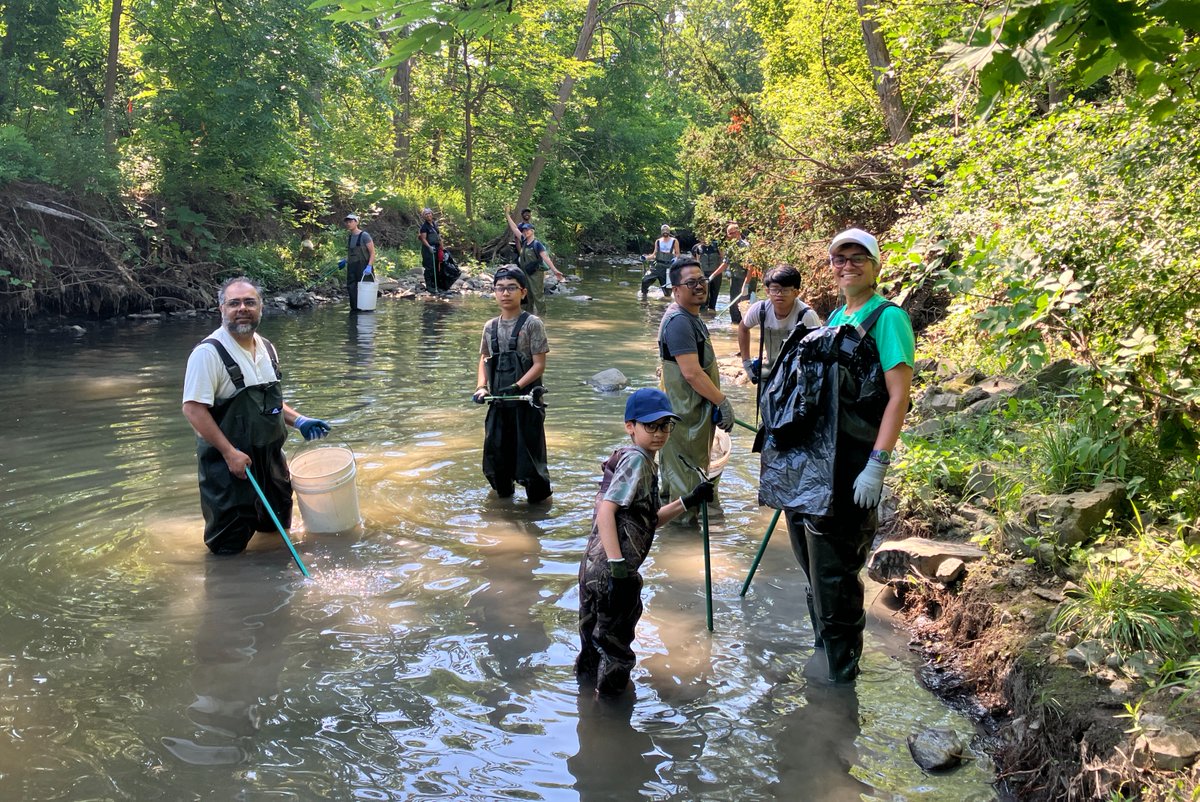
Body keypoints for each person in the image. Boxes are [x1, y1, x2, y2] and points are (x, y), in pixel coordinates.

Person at [757, 228, 915, 684]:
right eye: (838, 258)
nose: (847, 264)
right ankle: (824, 654)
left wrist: (877, 464)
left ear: (875, 264)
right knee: (815, 578)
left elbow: (897, 396)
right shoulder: (835, 317)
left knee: (836, 580)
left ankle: (839, 681)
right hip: (809, 474)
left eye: (857, 257)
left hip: (850, 470)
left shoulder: (888, 319)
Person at [575, 388, 714, 696]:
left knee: (591, 646)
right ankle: (611, 723)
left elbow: (646, 520)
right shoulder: (638, 461)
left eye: (666, 426)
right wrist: (618, 567)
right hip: (612, 570)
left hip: (592, 568)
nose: (659, 433)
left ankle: (586, 710)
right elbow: (606, 512)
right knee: (616, 653)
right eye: (650, 426)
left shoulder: (631, 458)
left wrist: (687, 500)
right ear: (630, 426)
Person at [182, 277, 331, 555]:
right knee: (228, 549)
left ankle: (275, 589)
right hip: (229, 468)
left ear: (261, 308)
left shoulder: (267, 348)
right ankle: (230, 593)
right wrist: (229, 453)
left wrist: (298, 420)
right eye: (234, 303)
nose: (242, 308)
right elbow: (193, 409)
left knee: (276, 535)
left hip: (272, 462)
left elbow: (270, 403)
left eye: (250, 302)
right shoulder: (208, 354)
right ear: (221, 309)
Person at [657, 256, 736, 513]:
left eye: (702, 280)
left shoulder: (692, 317)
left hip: (694, 416)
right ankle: (679, 542)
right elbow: (691, 373)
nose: (700, 286)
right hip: (684, 421)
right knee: (685, 491)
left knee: (684, 484)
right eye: (691, 282)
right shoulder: (679, 321)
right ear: (676, 290)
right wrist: (722, 401)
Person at [472, 267, 553, 502]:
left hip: (527, 404)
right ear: (494, 292)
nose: (505, 293)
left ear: (523, 292)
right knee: (496, 459)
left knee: (530, 463)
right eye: (500, 288)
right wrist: (481, 387)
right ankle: (502, 503)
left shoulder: (532, 324)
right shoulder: (490, 327)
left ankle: (538, 510)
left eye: (511, 288)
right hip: (498, 403)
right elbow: (484, 359)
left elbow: (539, 364)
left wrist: (518, 386)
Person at [736, 265, 823, 384]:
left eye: (785, 290)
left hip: (797, 375)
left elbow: (819, 350)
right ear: (767, 291)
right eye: (775, 289)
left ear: (796, 292)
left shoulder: (806, 316)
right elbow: (743, 328)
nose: (779, 294)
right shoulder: (761, 310)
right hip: (769, 372)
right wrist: (746, 362)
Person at [505, 209, 565, 316]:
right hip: (525, 273)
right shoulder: (523, 240)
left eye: (527, 230)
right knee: (526, 295)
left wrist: (555, 271)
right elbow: (514, 227)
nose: (525, 232)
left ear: (532, 231)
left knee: (538, 296)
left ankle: (542, 318)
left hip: (535, 274)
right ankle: (527, 316)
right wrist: (507, 215)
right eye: (524, 231)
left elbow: (546, 258)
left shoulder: (537, 244)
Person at [718, 222, 752, 324]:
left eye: (732, 233)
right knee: (733, 307)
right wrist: (712, 276)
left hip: (745, 279)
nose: (730, 236)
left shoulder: (746, 247)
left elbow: (751, 267)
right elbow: (725, 264)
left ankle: (744, 327)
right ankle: (734, 327)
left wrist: (746, 284)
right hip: (735, 279)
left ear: (738, 232)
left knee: (744, 306)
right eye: (729, 234)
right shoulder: (731, 248)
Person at [343, 213, 375, 313]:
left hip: (364, 267)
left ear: (356, 222)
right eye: (347, 222)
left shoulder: (364, 236)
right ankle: (355, 311)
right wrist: (345, 260)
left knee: (364, 290)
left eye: (351, 221)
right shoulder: (349, 237)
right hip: (352, 267)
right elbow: (351, 253)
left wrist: (369, 266)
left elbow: (372, 252)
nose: (348, 224)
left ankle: (366, 310)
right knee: (351, 288)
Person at [641, 224, 679, 298]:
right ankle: (644, 297)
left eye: (667, 230)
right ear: (661, 232)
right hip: (656, 266)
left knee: (667, 292)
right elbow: (654, 255)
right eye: (663, 230)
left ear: (669, 231)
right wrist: (645, 258)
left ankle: (666, 304)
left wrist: (675, 259)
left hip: (668, 268)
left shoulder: (674, 241)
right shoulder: (658, 241)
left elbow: (677, 254)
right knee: (645, 280)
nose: (665, 232)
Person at [691, 233, 723, 311]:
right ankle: (703, 314)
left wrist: (725, 270)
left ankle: (712, 313)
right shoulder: (697, 248)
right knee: (704, 296)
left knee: (714, 296)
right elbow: (696, 261)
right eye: (701, 237)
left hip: (716, 274)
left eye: (704, 237)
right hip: (703, 275)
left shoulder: (717, 246)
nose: (703, 239)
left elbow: (723, 258)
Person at [418, 207, 443, 293]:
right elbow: (423, 238)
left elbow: (438, 237)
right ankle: (429, 287)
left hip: (436, 248)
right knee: (429, 268)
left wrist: (441, 247)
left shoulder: (434, 224)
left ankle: (436, 285)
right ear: (424, 216)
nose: (428, 215)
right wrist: (429, 247)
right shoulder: (424, 227)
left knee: (436, 267)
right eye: (426, 214)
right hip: (428, 250)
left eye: (429, 213)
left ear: (432, 214)